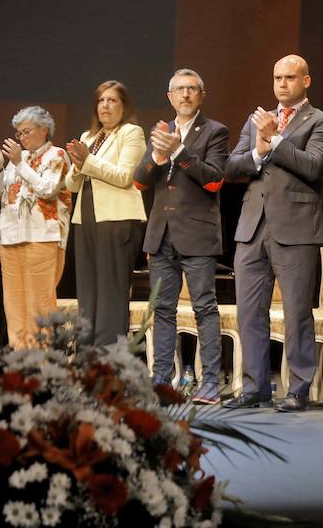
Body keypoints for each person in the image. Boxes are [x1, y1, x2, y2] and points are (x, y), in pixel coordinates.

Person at [223, 54, 323, 412]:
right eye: (277, 78)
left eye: (290, 77)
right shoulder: (256, 120)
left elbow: (314, 166)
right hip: (253, 227)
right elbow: (231, 166)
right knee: (249, 312)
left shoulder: (321, 121)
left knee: (296, 312)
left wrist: (274, 140)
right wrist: (258, 148)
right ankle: (256, 386)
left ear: (306, 81)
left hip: (296, 228)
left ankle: (299, 388)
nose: (282, 83)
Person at [133, 69, 229, 405]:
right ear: (169, 96)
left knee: (204, 307)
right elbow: (140, 182)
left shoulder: (215, 131)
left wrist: (178, 152)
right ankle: (161, 380)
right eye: (179, 90)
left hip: (198, 235)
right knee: (162, 310)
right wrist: (158, 156)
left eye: (192, 89)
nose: (185, 95)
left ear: (201, 95)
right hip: (161, 235)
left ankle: (211, 384)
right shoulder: (161, 132)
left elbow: (215, 180)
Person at [65, 80, 147, 346]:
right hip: (86, 217)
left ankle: (107, 360)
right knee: (87, 291)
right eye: (101, 100)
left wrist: (87, 161)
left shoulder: (131, 133)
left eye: (112, 100)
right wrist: (78, 167)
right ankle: (86, 354)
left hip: (117, 220)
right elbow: (71, 184)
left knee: (111, 294)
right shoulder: (88, 137)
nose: (105, 106)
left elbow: (125, 177)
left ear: (124, 106)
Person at [0, 106, 72, 349]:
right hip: (11, 238)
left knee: (39, 305)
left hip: (42, 237)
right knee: (14, 306)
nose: (21, 138)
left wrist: (18, 164)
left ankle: (42, 367)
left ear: (44, 130)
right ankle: (20, 364)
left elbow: (47, 189)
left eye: (26, 132)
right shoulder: (17, 159)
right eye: (19, 133)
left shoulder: (57, 155)